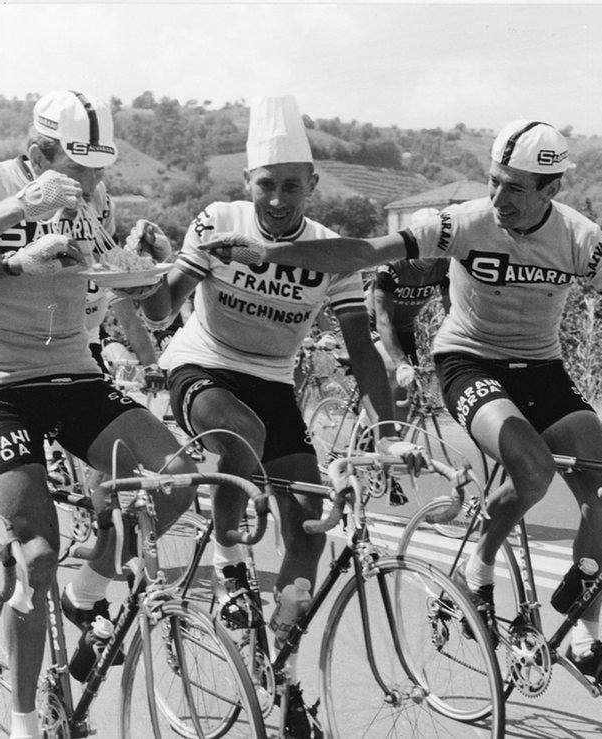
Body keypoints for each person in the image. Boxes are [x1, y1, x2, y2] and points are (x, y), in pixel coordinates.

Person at [203, 119, 602, 693]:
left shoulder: (583, 240)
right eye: (493, 181)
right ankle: (479, 564)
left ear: (552, 190)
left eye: (515, 188)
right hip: (467, 363)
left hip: (541, 370)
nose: (498, 198)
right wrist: (273, 250)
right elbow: (365, 252)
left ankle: (585, 638)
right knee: (534, 468)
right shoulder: (462, 221)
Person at [0, 90, 196, 739]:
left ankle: (87, 590)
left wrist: (140, 283)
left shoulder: (97, 201)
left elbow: (110, 282)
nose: (93, 183)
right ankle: (24, 721)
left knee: (181, 475)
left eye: (101, 169)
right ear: (37, 152)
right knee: (37, 552)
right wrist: (14, 242)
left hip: (73, 371)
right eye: (78, 167)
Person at [139, 95, 422, 732]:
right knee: (242, 432)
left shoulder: (328, 252)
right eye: (267, 185)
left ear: (312, 186)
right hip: (202, 364)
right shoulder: (218, 220)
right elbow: (163, 310)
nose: (278, 200)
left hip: (269, 380)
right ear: (249, 184)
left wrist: (387, 431)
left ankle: (284, 673)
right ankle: (231, 566)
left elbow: (361, 348)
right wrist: (139, 278)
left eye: (292, 186)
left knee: (312, 524)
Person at [367, 257, 450, 424]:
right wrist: (401, 363)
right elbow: (383, 320)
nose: (432, 254)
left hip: (404, 328)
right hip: (373, 324)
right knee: (393, 369)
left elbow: (452, 312)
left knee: (407, 391)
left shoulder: (444, 266)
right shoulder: (391, 267)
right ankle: (369, 421)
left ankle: (393, 441)